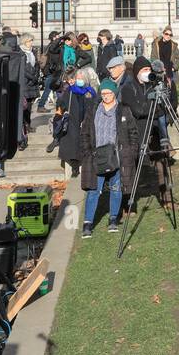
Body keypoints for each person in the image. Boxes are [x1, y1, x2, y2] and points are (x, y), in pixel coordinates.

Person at [77, 79, 142, 237]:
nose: (105, 96)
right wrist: (87, 151)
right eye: (103, 93)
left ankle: (113, 219)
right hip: (96, 156)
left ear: (114, 94)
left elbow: (133, 133)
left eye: (108, 93)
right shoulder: (93, 110)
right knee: (93, 190)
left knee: (116, 189)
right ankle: (88, 223)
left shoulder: (123, 111)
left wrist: (130, 152)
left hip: (117, 156)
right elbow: (85, 132)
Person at [56, 66, 98, 179]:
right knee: (73, 145)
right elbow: (61, 103)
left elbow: (94, 105)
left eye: (80, 77)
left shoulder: (90, 91)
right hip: (73, 122)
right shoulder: (70, 90)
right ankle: (75, 167)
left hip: (87, 122)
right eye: (77, 77)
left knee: (86, 144)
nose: (78, 79)